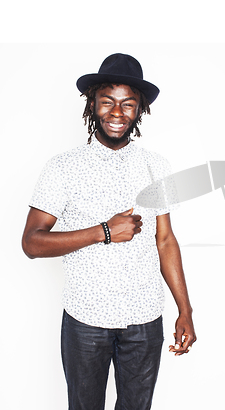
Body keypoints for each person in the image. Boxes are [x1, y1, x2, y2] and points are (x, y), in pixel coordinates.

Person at [21, 53, 196, 410]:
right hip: (86, 320)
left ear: (140, 110)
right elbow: (32, 243)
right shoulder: (62, 168)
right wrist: (103, 231)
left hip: (145, 321)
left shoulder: (157, 165)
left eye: (128, 104)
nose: (117, 113)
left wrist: (185, 309)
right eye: (108, 102)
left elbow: (165, 240)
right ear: (92, 105)